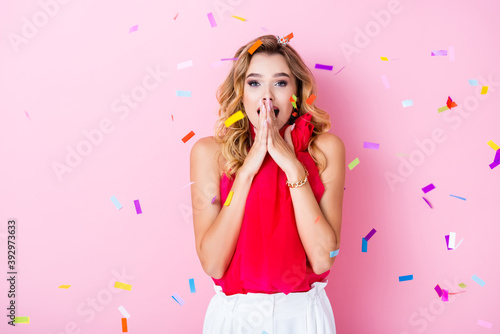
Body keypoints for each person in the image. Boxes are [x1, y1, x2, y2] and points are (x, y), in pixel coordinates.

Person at [190, 34, 345, 334]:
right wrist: (247, 172)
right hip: (234, 318)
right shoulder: (209, 152)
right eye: (255, 82)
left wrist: (290, 163)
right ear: (241, 91)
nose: (267, 96)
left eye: (281, 83)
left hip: (303, 316)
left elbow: (323, 259)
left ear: (297, 92)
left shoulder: (326, 149)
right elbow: (213, 265)